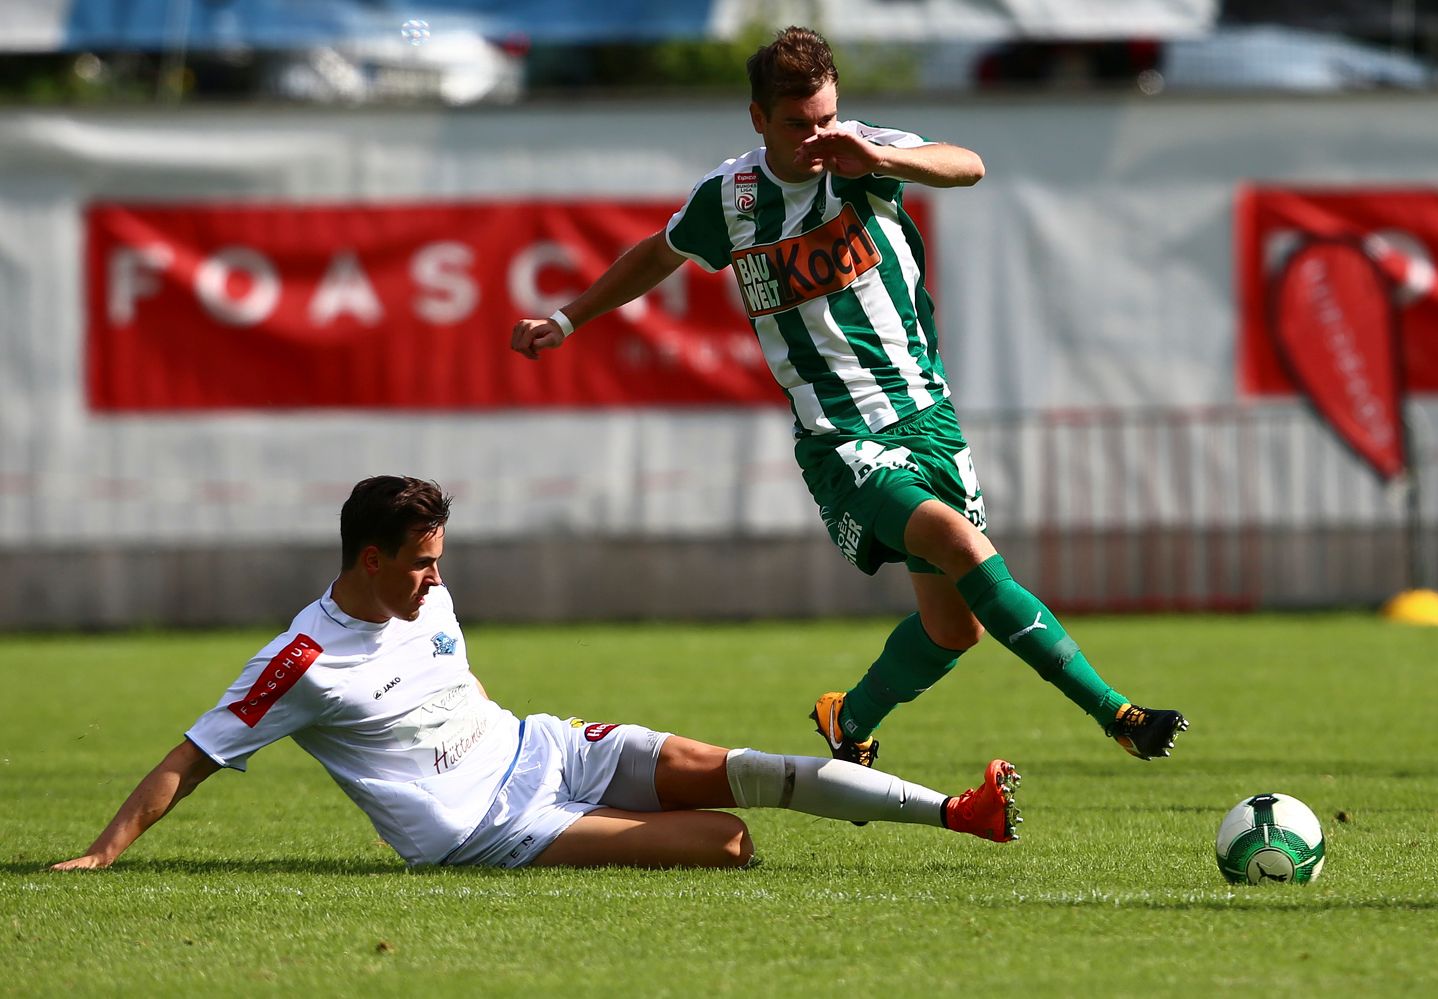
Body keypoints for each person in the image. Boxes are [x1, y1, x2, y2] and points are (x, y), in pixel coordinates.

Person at [510, 26, 1188, 773]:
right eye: (798, 124)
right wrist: (567, 318)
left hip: (929, 417)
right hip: (841, 439)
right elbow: (657, 252)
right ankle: (1117, 712)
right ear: (758, 119)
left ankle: (849, 715)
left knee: (952, 631)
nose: (816, 136)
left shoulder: (865, 155)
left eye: (826, 117)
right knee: (965, 548)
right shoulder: (730, 198)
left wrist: (884, 158)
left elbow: (967, 166)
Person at [51, 476, 1021, 873]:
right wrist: (102, 853)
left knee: (745, 768)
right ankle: (625, 832)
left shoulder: (422, 594)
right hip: (485, 824)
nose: (438, 577)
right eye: (421, 560)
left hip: (538, 745)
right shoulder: (302, 660)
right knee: (726, 842)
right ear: (369, 559)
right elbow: (195, 752)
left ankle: (955, 813)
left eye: (438, 557)